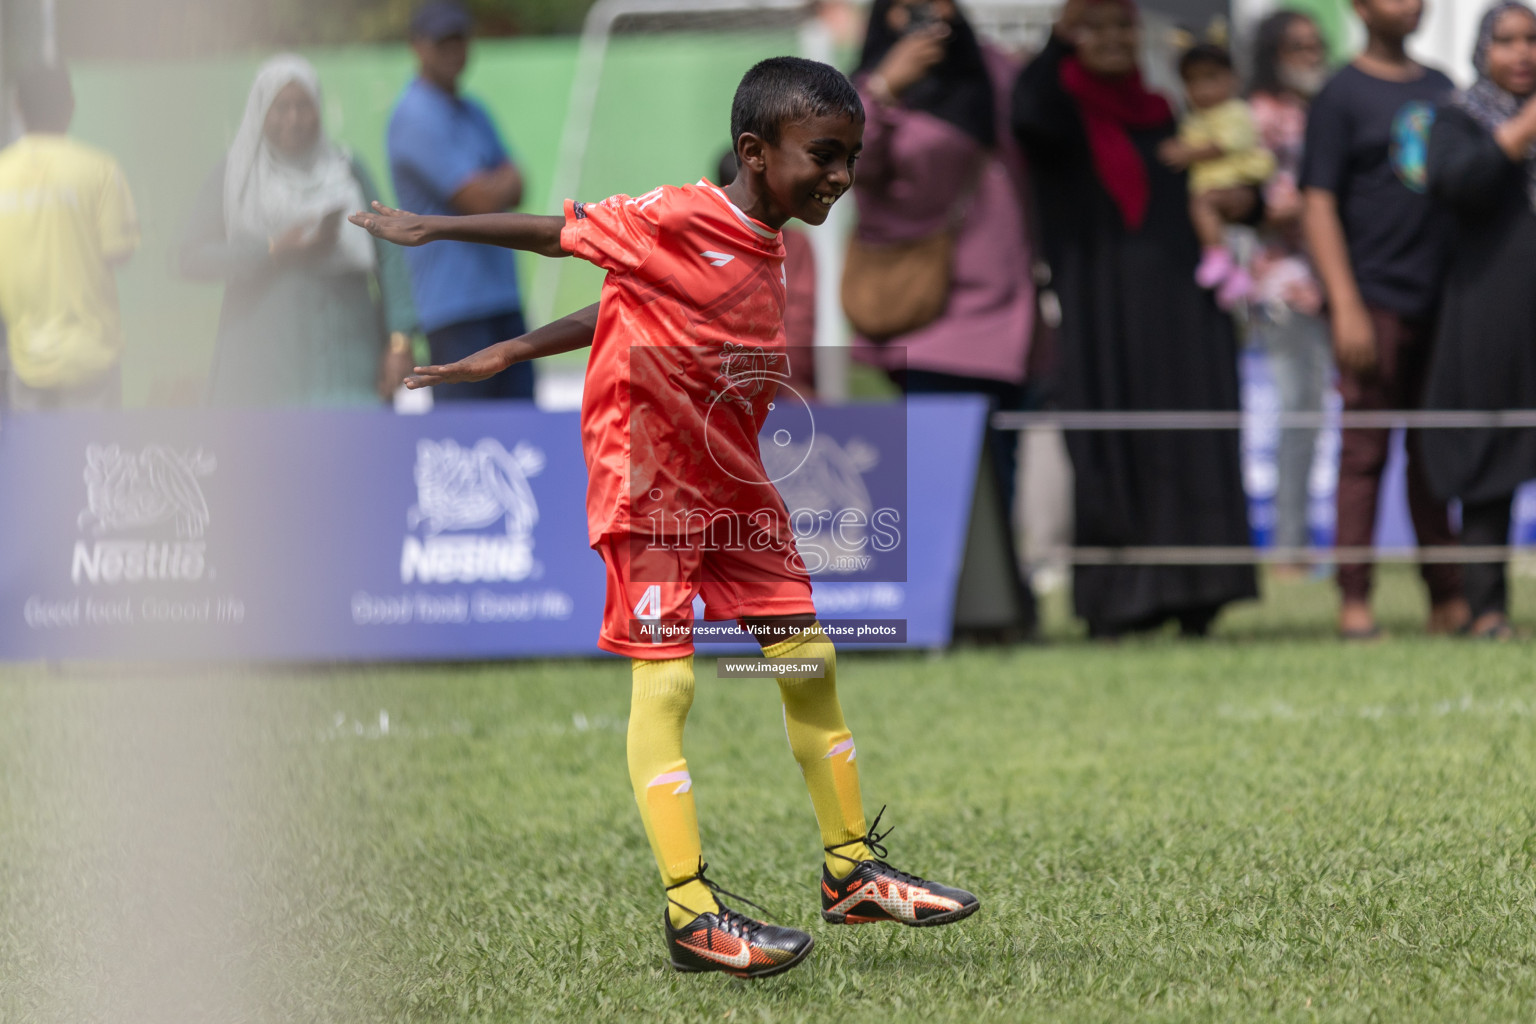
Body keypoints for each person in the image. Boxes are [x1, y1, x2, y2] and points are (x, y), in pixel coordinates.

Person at [351, 56, 978, 978]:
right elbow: (558, 233)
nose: (842, 176)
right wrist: (432, 227)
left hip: (732, 485)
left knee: (810, 660)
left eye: (851, 156)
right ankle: (692, 914)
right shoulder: (680, 212)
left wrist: (513, 349)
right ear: (757, 153)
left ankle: (850, 871)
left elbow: (626, 302)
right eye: (826, 156)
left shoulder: (772, 244)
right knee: (670, 688)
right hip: (648, 482)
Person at [1011, 0, 1257, 639]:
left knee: (1189, 440)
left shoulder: (1165, 111)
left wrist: (1243, 200)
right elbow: (1025, 115)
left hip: (1183, 311)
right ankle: (1123, 604)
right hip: (1103, 315)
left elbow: (1224, 177)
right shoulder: (1060, 108)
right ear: (1074, 35)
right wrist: (1055, 45)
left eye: (1125, 27)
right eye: (1098, 28)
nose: (1116, 40)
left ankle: (1201, 594)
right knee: (1111, 443)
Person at [1300, 0, 1467, 639]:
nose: (1411, 5)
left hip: (1442, 303)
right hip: (1372, 301)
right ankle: (1354, 601)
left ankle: (1447, 596)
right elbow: (1317, 205)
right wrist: (1345, 305)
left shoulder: (1441, 89)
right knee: (1364, 454)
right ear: (1359, 8)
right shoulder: (1339, 95)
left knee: (1436, 457)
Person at [848, 0, 1036, 515]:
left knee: (1001, 492)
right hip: (931, 319)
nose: (930, 14)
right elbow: (847, 166)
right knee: (943, 495)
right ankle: (955, 596)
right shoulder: (866, 90)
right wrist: (884, 88)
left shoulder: (992, 71)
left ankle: (1002, 595)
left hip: (1012, 315)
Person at [179, 55, 415, 407]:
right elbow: (189, 258)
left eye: (304, 106)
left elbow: (390, 255)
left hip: (348, 365)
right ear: (260, 111)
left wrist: (400, 341)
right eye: (281, 107)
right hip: (263, 371)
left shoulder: (346, 169)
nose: (293, 119)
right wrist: (274, 249)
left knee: (350, 456)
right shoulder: (237, 175)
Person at [1424, 1, 1536, 640]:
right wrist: (1519, 134)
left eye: (1532, 40)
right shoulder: (1456, 117)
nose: (1522, 53)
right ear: (1482, 50)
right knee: (1490, 463)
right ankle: (1486, 610)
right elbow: (1455, 183)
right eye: (1507, 40)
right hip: (1489, 318)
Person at [387, 0, 533, 403]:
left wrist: (494, 186)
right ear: (418, 46)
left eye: (459, 39)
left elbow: (520, 183)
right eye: (441, 41)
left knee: (521, 435)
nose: (453, 50)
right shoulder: (414, 115)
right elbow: (481, 197)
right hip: (452, 310)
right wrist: (495, 183)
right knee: (464, 439)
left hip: (501, 300)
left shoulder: (474, 110)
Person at [0, 63, 138, 411]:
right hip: (91, 360)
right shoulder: (101, 169)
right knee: (91, 461)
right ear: (71, 105)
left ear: (17, 106)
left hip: (21, 359)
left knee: (29, 464)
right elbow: (119, 253)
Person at [1248, 10, 1331, 574]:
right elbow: (1262, 205)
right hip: (1285, 289)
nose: (1308, 55)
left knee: (1314, 418)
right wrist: (1324, 206)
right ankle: (1289, 549)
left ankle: (1301, 542)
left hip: (1335, 284)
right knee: (1298, 415)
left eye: (1314, 45)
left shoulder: (1323, 108)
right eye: (1295, 46)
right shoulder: (1258, 115)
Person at [1161, 43, 1275, 308]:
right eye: (1192, 81)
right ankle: (1233, 275)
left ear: (1232, 78)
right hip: (1213, 188)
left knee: (1204, 205)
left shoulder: (1235, 111)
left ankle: (1218, 258)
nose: (1202, 88)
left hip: (1233, 183)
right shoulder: (1193, 117)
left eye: (1210, 77)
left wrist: (1186, 153)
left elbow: (1228, 143)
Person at [717, 148, 818, 400]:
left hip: (778, 386)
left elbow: (799, 318)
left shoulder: (795, 244)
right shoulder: (709, 241)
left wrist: (792, 383)